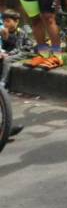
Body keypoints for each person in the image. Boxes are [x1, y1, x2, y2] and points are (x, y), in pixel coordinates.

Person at [0, 9, 25, 137]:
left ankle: (3, 128)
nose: (5, 23)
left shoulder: (20, 33)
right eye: (4, 21)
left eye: (8, 21)